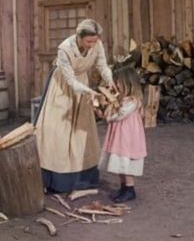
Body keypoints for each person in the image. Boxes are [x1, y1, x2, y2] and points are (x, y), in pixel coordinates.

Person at [35, 18, 114, 193]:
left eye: (95, 41)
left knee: (81, 130)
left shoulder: (97, 44)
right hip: (62, 87)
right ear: (79, 37)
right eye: (89, 41)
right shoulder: (65, 48)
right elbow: (70, 79)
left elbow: (102, 65)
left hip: (82, 84)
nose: (92, 44)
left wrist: (110, 80)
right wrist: (89, 92)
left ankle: (83, 177)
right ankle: (57, 180)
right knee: (58, 130)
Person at [98, 66, 147, 203]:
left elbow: (120, 114)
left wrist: (110, 115)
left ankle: (130, 189)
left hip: (127, 137)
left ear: (127, 83)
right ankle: (123, 187)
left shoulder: (132, 101)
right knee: (119, 162)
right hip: (119, 136)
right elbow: (112, 110)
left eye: (118, 82)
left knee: (126, 163)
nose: (116, 85)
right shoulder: (121, 99)